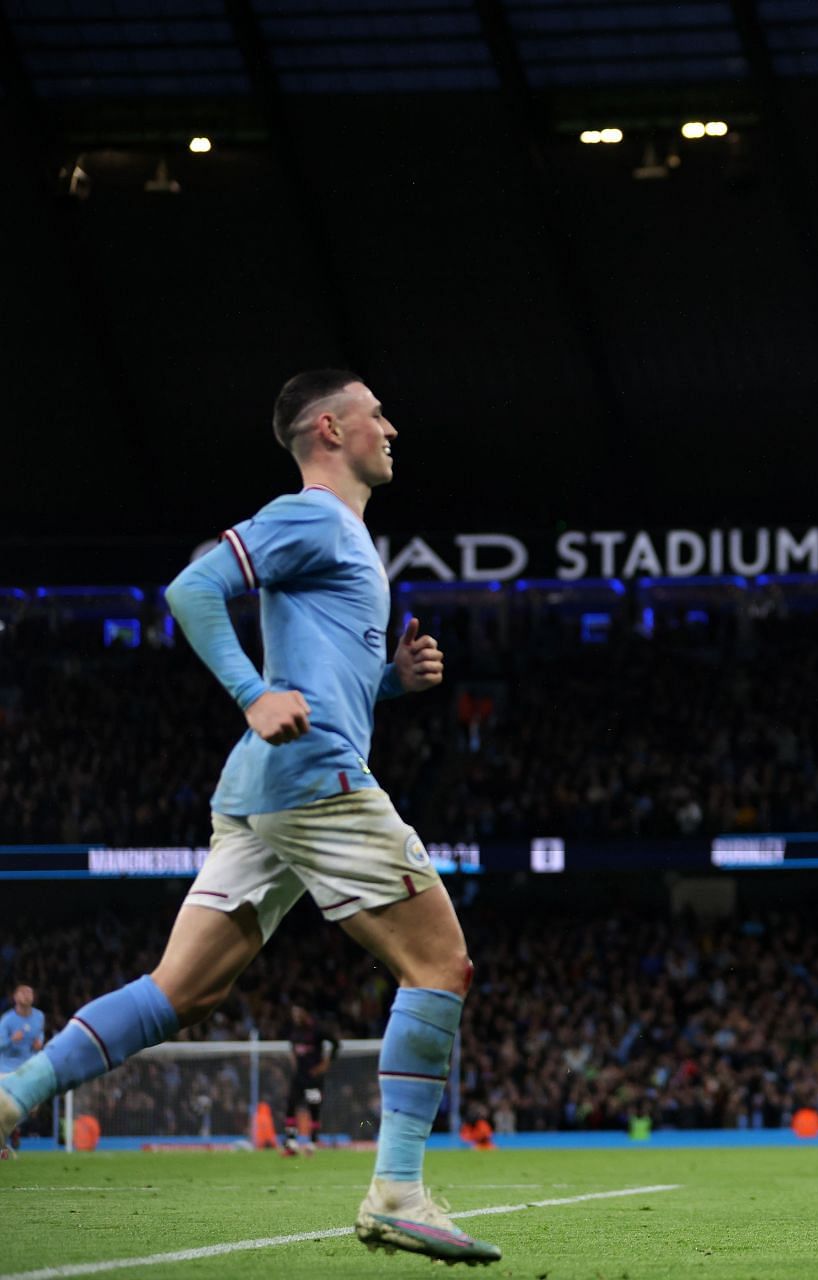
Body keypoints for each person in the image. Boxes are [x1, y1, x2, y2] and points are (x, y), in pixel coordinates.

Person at [0, 371, 499, 1265]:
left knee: (180, 990)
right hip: (313, 778)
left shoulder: (344, 539)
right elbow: (191, 590)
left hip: (266, 788)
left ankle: (12, 1096)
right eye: (375, 413)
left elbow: (331, 681)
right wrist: (253, 691)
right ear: (330, 427)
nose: (392, 426)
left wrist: (394, 682)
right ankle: (397, 1190)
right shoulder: (310, 514)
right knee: (441, 963)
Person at [283, 1003, 341, 1156]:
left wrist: (325, 1064)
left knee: (313, 1108)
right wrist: (294, 1062)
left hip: (313, 1078)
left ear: (305, 1013)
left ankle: (312, 1143)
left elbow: (335, 1043)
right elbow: (293, 1049)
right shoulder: (294, 1030)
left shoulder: (317, 1030)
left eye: (298, 1013)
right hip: (299, 1077)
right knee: (290, 1105)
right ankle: (291, 1143)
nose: (295, 1017)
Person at [0, 985, 46, 1157]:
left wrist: (39, 1043)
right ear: (15, 997)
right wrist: (12, 1040)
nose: (27, 995)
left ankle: (14, 1129)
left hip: (28, 1068)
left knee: (31, 1109)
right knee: (4, 1110)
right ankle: (3, 1148)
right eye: (23, 992)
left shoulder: (39, 1016)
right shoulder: (7, 1020)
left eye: (30, 992)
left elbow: (39, 1035)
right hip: (6, 1070)